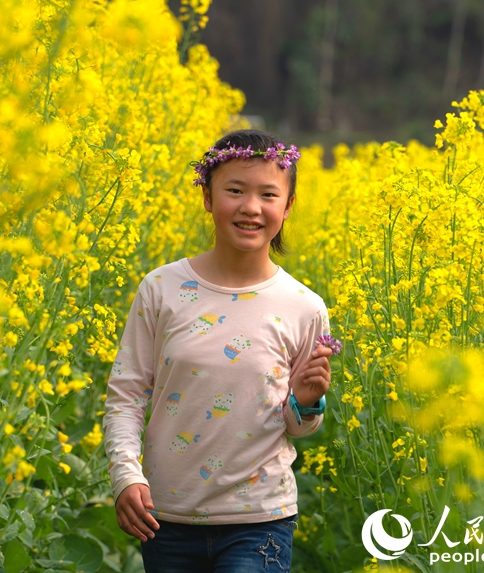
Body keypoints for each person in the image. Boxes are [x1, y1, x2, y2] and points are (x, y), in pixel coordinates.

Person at [102, 129, 333, 573]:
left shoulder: (304, 307)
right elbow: (127, 395)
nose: (251, 207)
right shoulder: (162, 288)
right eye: (234, 190)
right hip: (165, 517)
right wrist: (126, 476)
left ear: (287, 207)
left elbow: (298, 426)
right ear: (208, 198)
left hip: (260, 520)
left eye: (268, 194)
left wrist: (306, 403)